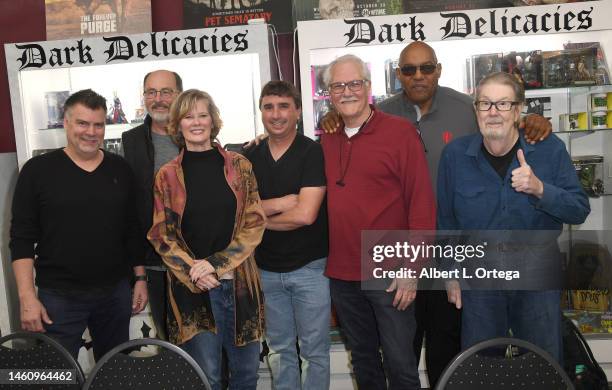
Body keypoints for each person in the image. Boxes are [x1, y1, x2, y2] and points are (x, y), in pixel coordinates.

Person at [322, 41, 552, 386]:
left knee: (438, 344)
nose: (418, 75)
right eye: (338, 86)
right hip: (369, 259)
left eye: (425, 68)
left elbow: (500, 122)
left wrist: (529, 119)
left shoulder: (464, 109)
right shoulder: (344, 129)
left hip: (440, 246)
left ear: (438, 69)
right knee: (377, 354)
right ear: (398, 75)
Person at [437, 71, 590, 362]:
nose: (493, 112)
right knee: (482, 364)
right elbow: (446, 222)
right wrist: (450, 275)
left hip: (537, 277)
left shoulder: (548, 150)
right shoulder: (455, 156)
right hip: (480, 278)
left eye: (503, 104)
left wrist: (540, 189)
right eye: (485, 104)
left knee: (542, 363)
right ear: (476, 110)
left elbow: (579, 208)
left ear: (518, 110)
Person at [320, 54, 436, 390]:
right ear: (329, 93)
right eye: (338, 85)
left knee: (401, 365)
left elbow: (422, 207)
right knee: (364, 363)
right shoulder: (326, 138)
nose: (347, 91)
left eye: (354, 83)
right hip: (342, 274)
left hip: (390, 271)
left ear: (368, 87)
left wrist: (411, 271)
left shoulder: (400, 133)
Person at [10, 89, 148, 360]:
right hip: (58, 297)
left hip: (115, 293)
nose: (91, 132)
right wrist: (27, 298)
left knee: (113, 372)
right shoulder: (37, 171)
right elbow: (21, 238)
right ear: (66, 122)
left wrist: (140, 278)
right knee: (55, 375)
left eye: (98, 124)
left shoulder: (120, 169)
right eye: (82, 123)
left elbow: (132, 230)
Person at [147, 89, 266, 390]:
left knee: (246, 375)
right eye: (188, 116)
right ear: (178, 124)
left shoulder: (240, 166)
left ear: (213, 121)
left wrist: (214, 265)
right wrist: (193, 270)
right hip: (192, 289)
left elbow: (254, 223)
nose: (196, 122)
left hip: (240, 286)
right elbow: (161, 235)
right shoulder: (167, 175)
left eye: (203, 115)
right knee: (206, 378)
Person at [245, 81, 330, 390]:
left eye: (283, 106)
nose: (276, 114)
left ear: (297, 111)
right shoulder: (249, 156)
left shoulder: (311, 152)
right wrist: (280, 204)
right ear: (261, 112)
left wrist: (257, 218)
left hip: (310, 269)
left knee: (314, 353)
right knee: (280, 352)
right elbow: (240, 211)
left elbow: (306, 215)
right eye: (268, 107)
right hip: (265, 270)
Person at [121, 69, 182, 340]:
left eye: (166, 91)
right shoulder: (131, 141)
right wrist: (140, 275)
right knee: (169, 341)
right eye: (151, 92)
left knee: (208, 346)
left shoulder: (196, 132)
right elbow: (130, 214)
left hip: (197, 263)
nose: (158, 99)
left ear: (179, 95)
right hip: (155, 265)